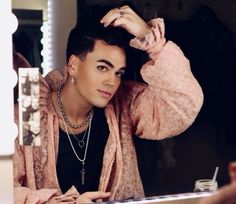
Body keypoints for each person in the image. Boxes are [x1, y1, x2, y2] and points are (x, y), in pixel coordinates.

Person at [13, 5, 203, 203]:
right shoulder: (33, 108)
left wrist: (150, 38)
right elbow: (7, 189)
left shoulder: (123, 105)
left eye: (118, 72)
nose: (112, 82)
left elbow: (184, 103)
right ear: (73, 65)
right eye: (102, 67)